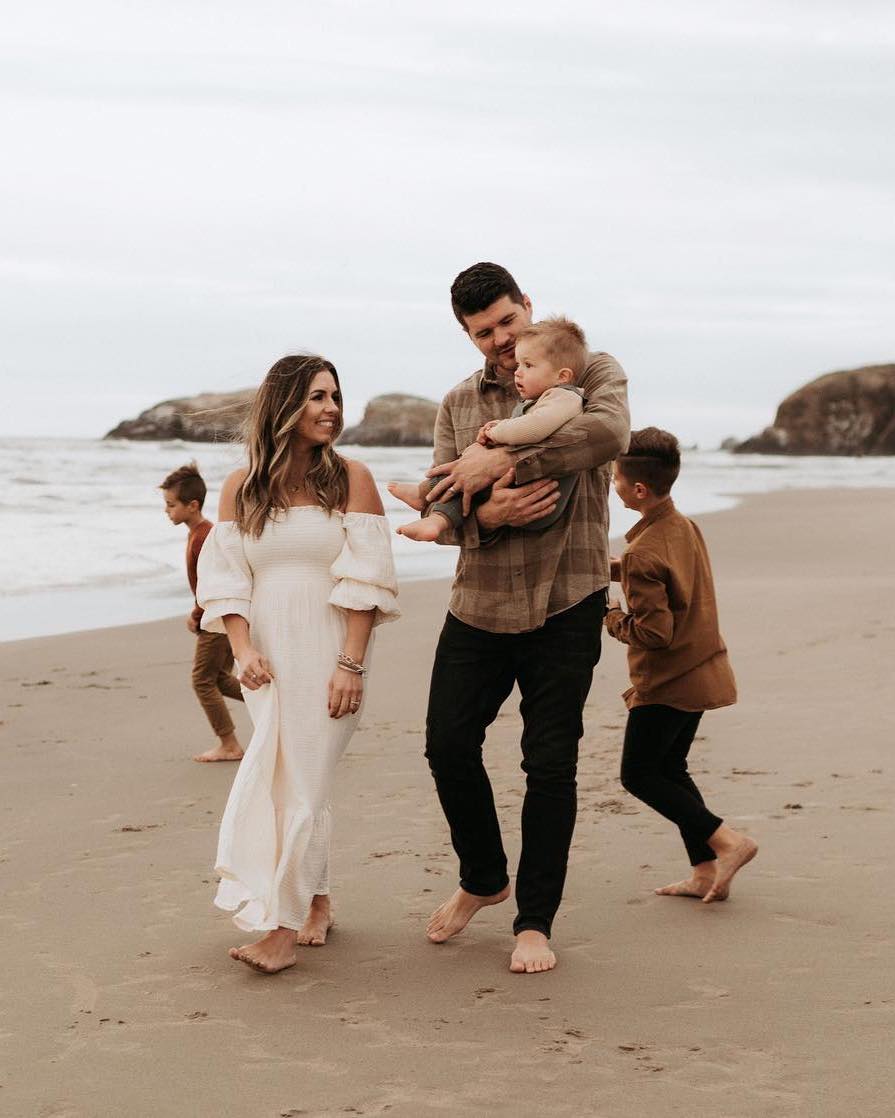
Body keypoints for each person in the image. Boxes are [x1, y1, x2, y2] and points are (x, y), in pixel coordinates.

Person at [406, 262, 630, 974]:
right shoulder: (456, 403)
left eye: (507, 321)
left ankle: (533, 922)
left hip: (568, 597)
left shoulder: (588, 370)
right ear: (467, 336)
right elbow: (441, 495)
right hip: (480, 599)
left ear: (526, 305)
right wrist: (485, 513)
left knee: (549, 765)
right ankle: (483, 876)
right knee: (446, 744)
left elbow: (606, 439)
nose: (500, 340)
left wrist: (501, 469)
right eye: (484, 332)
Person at [197, 355, 400, 974]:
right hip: (268, 658)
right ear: (285, 405)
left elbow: (368, 579)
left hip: (330, 650)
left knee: (303, 780)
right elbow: (227, 576)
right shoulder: (242, 487)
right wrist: (242, 649)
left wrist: (351, 664)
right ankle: (316, 900)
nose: (332, 408)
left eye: (336, 395)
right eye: (317, 396)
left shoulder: (351, 479)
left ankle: (280, 929)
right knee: (289, 777)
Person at [605, 427, 758, 903]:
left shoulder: (645, 552)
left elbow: (654, 632)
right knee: (670, 768)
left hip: (669, 681)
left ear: (638, 490)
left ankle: (729, 841)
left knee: (640, 775)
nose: (612, 484)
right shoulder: (682, 526)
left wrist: (610, 617)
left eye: (614, 477)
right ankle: (704, 871)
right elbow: (674, 578)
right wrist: (619, 568)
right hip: (704, 669)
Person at [392, 316, 587, 542]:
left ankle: (425, 495)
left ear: (562, 376)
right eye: (519, 363)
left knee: (466, 481)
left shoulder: (564, 397)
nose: (518, 371)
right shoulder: (537, 399)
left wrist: (497, 431)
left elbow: (534, 429)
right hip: (523, 483)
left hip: (538, 495)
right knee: (464, 483)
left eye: (528, 365)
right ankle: (434, 514)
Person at [160, 461, 245, 763]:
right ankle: (277, 702)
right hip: (215, 612)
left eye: (171, 505)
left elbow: (214, 582)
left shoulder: (205, 535)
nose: (166, 510)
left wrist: (198, 614)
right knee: (220, 678)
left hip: (218, 616)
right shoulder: (198, 532)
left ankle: (230, 744)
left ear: (192, 505)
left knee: (203, 680)